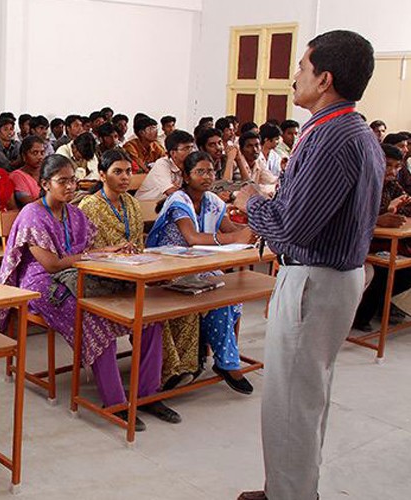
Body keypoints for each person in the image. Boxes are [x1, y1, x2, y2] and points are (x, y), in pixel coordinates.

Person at [234, 30, 383, 500]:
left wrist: (250, 202)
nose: (294, 75)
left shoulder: (332, 136)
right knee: (305, 395)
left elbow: (292, 232)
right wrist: (275, 198)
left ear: (324, 79)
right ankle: (290, 488)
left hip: (314, 281)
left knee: (291, 402)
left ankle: (290, 495)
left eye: (301, 67)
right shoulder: (354, 130)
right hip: (333, 277)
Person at [0, 154, 179, 428]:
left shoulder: (75, 213)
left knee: (149, 316)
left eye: (73, 180)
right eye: (62, 181)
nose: (69, 187)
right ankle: (114, 402)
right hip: (42, 285)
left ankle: (147, 395)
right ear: (45, 184)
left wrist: (107, 252)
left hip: (77, 275)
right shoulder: (32, 214)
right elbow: (52, 264)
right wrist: (93, 256)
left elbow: (84, 254)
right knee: (96, 318)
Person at [147, 151, 256, 394]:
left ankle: (224, 360)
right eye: (200, 172)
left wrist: (252, 229)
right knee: (218, 297)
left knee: (228, 294)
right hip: (165, 269)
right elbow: (193, 238)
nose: (207, 177)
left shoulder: (212, 201)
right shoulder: (178, 201)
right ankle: (226, 362)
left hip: (197, 267)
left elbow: (231, 228)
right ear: (186, 176)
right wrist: (234, 237)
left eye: (210, 171)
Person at [353, 144, 411, 331]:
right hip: (360, 242)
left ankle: (380, 307)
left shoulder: (392, 185)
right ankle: (360, 316)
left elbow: (406, 204)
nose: (392, 171)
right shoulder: (363, 183)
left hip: (386, 241)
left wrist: (394, 208)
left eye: (397, 167)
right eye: (388, 165)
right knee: (381, 270)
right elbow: (354, 217)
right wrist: (381, 217)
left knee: (406, 270)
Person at [135, 130, 195, 201]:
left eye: (192, 147)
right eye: (186, 148)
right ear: (173, 153)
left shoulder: (189, 165)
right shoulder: (162, 164)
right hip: (145, 205)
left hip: (166, 204)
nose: (192, 152)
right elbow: (171, 192)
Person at [10, 135, 45, 207]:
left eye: (42, 153)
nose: (40, 157)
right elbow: (30, 205)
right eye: (35, 153)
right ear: (24, 156)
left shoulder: (47, 173)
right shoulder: (17, 176)